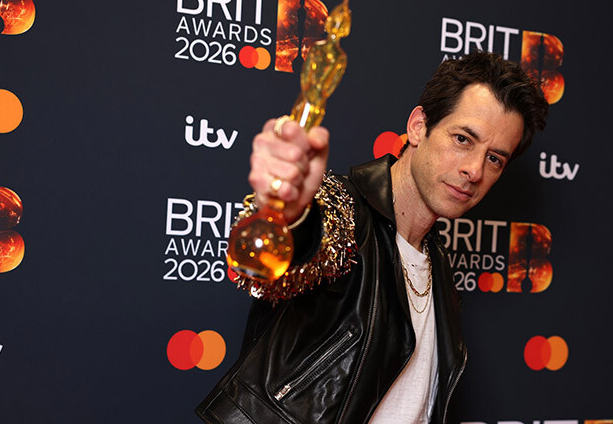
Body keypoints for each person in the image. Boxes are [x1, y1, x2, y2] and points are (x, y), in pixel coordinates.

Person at [196, 51, 548, 424]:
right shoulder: (343, 214)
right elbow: (299, 243)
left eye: (494, 159)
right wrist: (286, 211)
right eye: (463, 139)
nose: (474, 170)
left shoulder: (441, 269)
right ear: (418, 126)